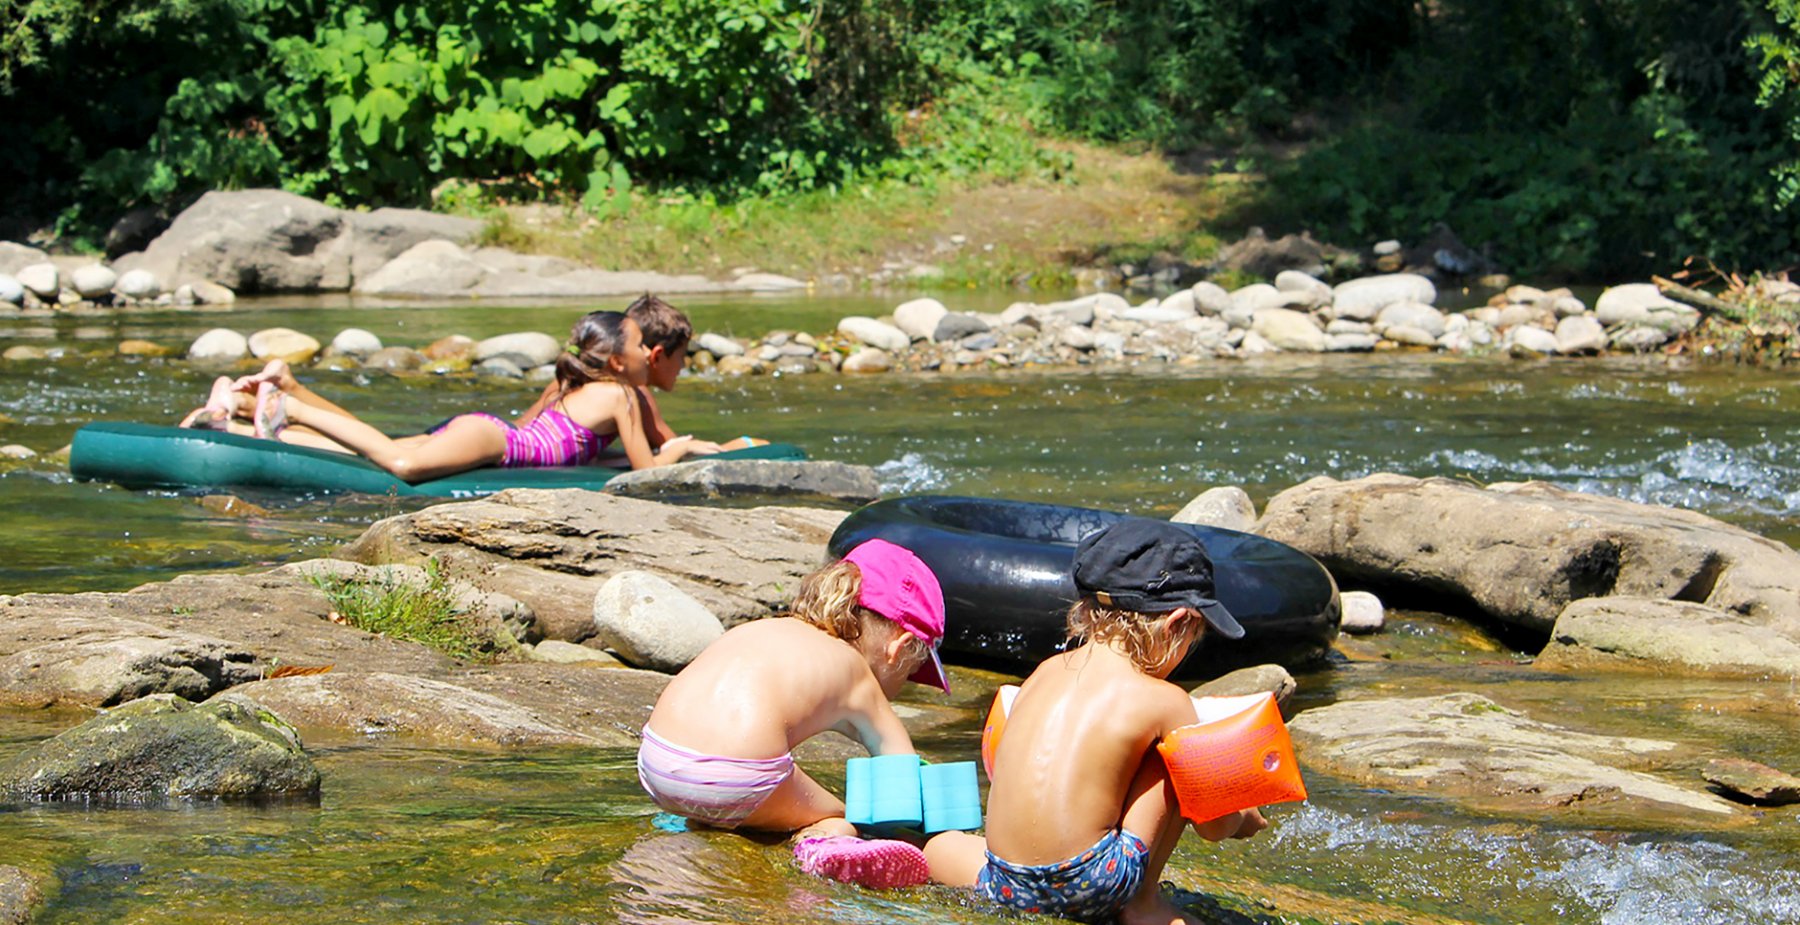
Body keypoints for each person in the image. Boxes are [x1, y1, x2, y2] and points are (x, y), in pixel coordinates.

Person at [924, 518, 1269, 925]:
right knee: (1173, 752)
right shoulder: (1165, 700)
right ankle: (1144, 906)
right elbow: (1213, 826)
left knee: (941, 846)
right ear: (1176, 623)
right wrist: (1242, 816)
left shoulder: (1045, 672)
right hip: (1094, 884)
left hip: (1006, 884)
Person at [637, 538, 950, 886]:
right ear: (898, 648)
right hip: (733, 777)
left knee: (765, 793)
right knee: (839, 817)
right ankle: (819, 846)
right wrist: (921, 832)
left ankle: (702, 816)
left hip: (655, 761)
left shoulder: (765, 628)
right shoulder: (859, 675)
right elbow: (900, 771)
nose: (905, 683)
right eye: (911, 672)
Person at [185, 311, 705, 481]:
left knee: (375, 452)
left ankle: (238, 420)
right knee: (402, 464)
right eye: (640, 345)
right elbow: (645, 473)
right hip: (493, 441)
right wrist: (678, 450)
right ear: (618, 361)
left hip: (492, 436)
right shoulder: (621, 396)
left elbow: (571, 445)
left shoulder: (581, 385)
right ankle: (291, 405)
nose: (649, 351)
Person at [513, 294, 764, 457]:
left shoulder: (574, 374)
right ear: (656, 356)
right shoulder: (633, 395)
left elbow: (522, 426)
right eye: (680, 356)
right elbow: (676, 450)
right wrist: (746, 445)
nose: (682, 366)